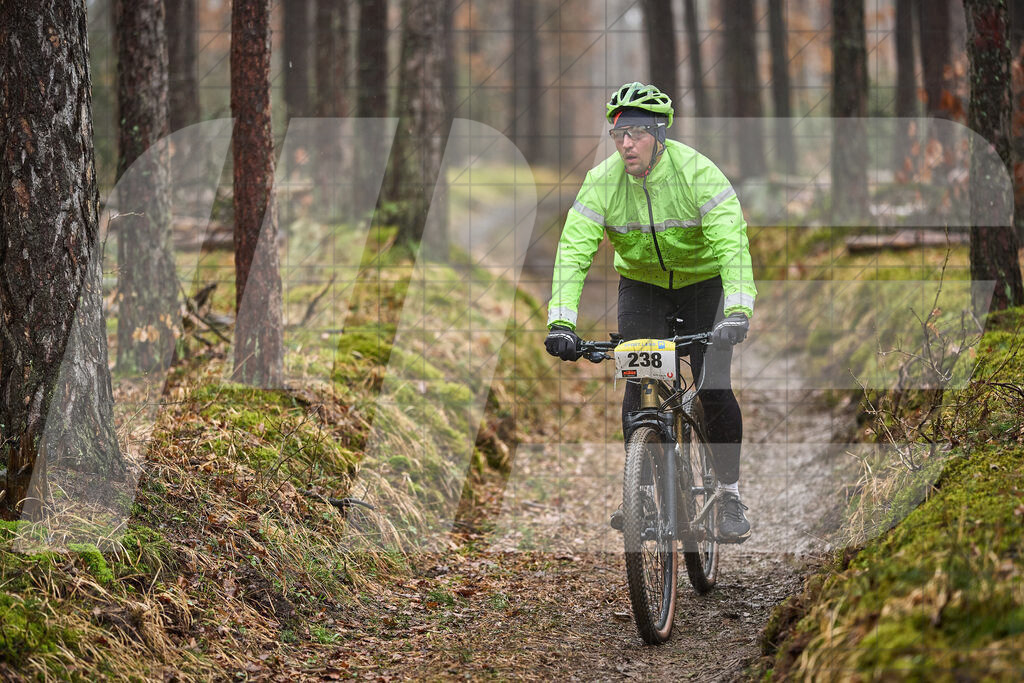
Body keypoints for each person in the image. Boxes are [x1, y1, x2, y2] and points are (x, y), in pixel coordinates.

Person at [543, 82, 756, 543]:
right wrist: (561, 321)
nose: (626, 144)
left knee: (713, 386)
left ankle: (729, 494)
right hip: (643, 286)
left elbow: (732, 243)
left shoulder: (697, 173)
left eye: (636, 133)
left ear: (659, 135)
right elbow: (573, 251)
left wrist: (737, 311)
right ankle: (637, 493)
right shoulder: (602, 181)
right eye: (619, 134)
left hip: (704, 286)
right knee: (638, 377)